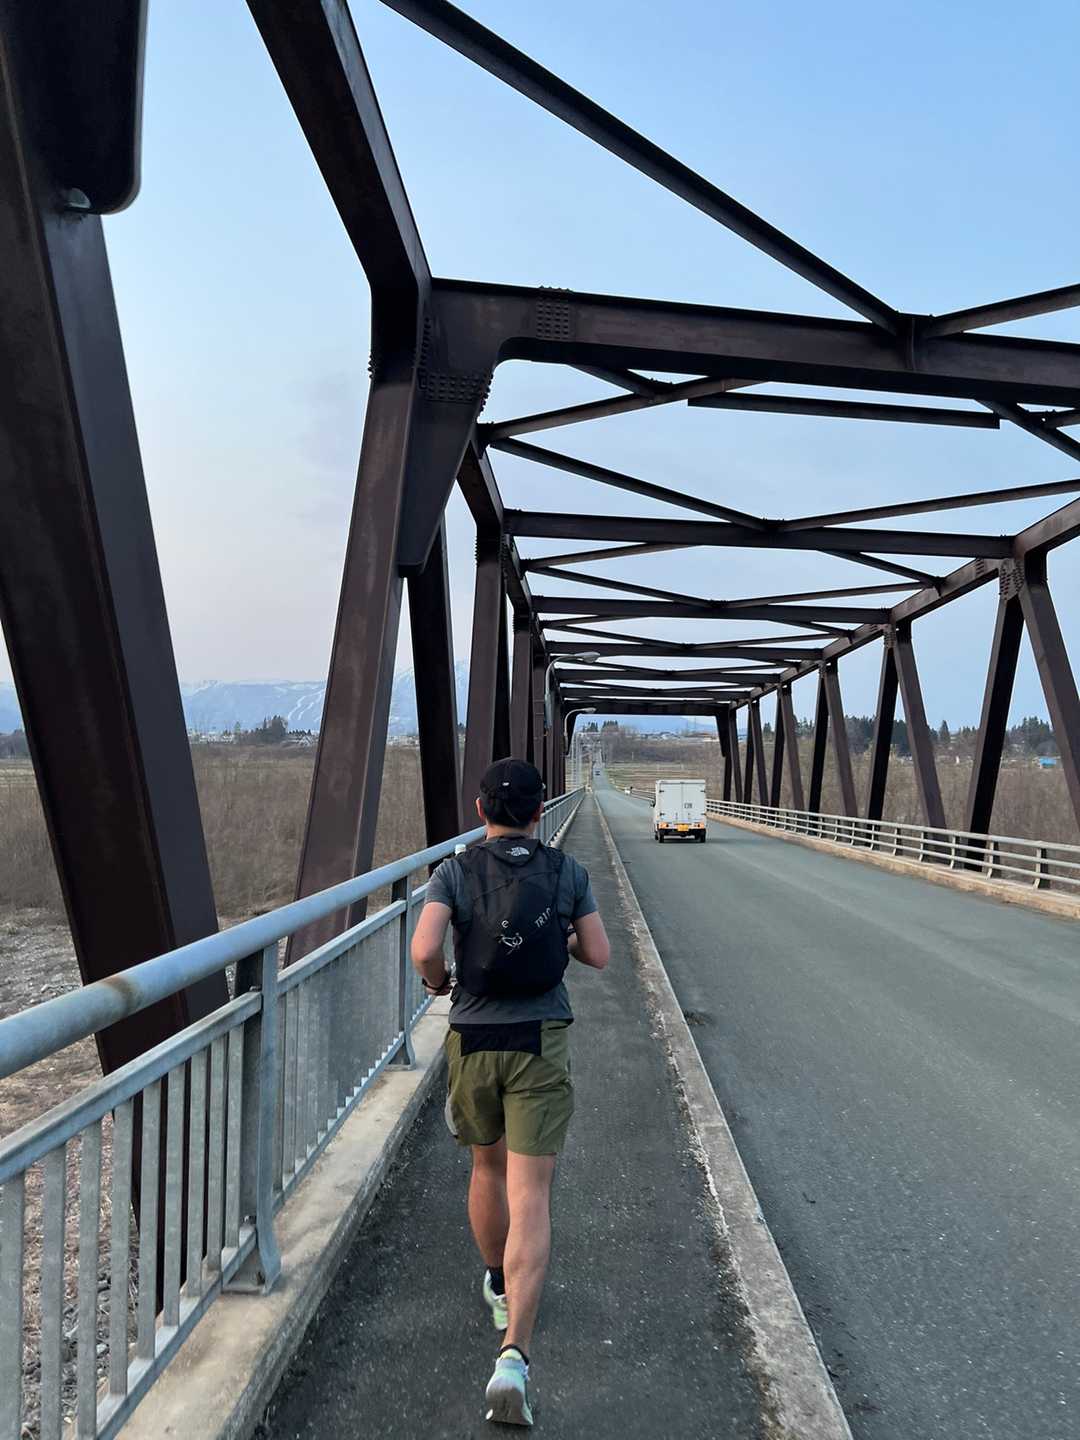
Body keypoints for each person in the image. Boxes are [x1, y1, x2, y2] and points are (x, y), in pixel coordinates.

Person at [411, 757, 610, 1426]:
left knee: (487, 1169)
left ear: (480, 810)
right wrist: (562, 939)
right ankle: (514, 1358)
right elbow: (599, 954)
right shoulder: (565, 871)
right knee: (532, 1194)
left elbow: (424, 948)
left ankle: (497, 1282)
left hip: (472, 1037)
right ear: (539, 810)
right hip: (539, 1039)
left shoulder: (455, 870)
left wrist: (438, 983)